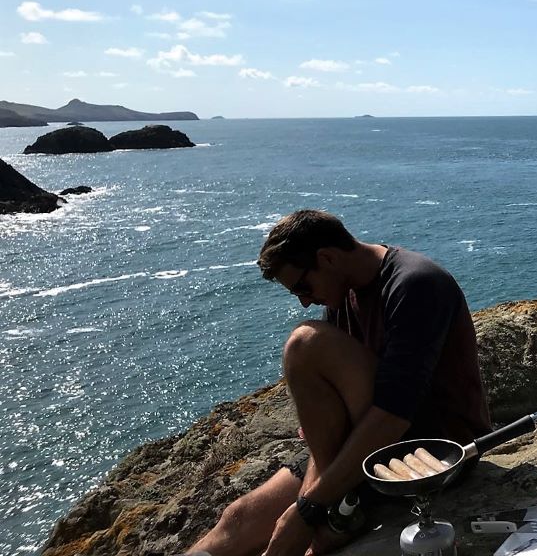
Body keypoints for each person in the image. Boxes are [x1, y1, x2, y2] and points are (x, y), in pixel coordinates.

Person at [190, 209, 490, 556]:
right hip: (366, 443)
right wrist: (310, 503)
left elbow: (393, 415)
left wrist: (308, 509)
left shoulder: (415, 284)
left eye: (303, 287)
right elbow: (327, 427)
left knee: (304, 344)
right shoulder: (341, 294)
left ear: (327, 258)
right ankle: (338, 511)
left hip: (432, 453)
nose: (304, 301)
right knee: (238, 520)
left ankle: (339, 514)